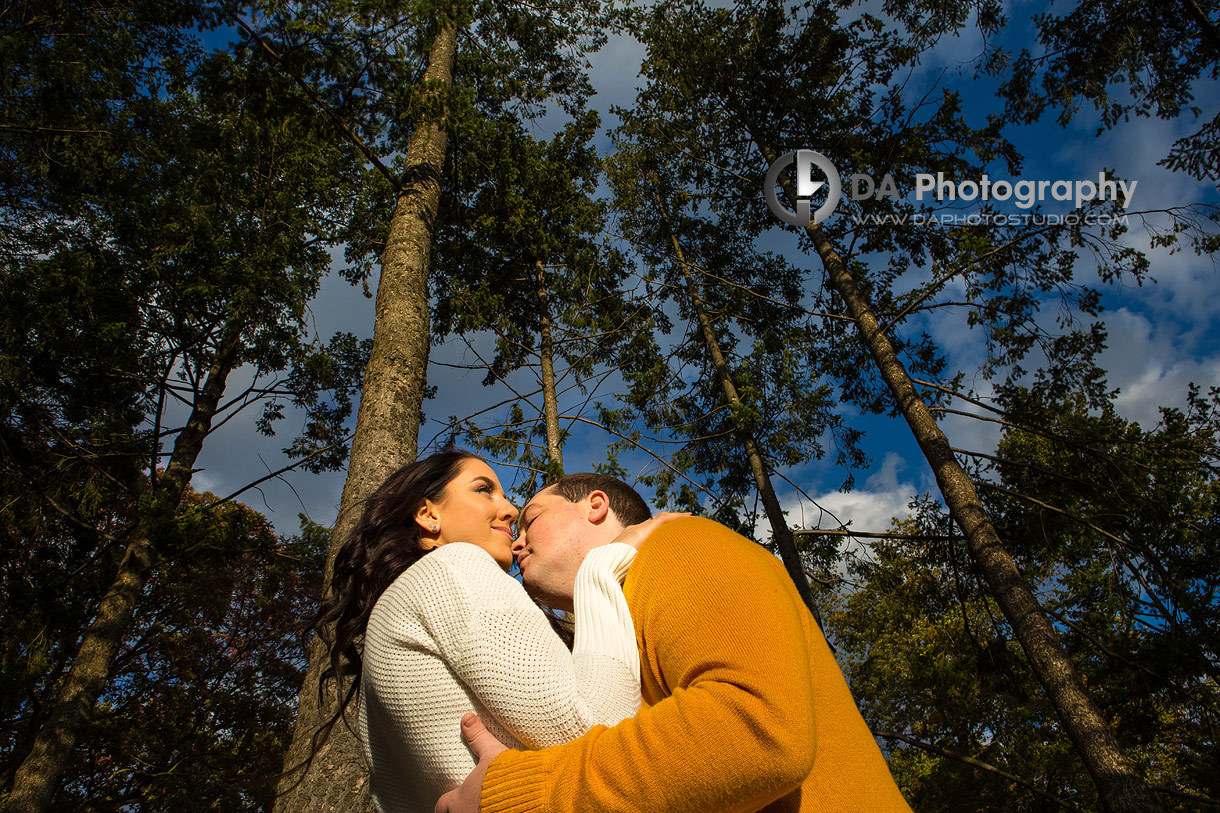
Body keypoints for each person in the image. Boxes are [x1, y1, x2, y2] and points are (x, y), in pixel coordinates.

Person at [436, 472, 912, 813]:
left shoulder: (678, 545)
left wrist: (527, 793)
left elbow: (755, 732)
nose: (516, 542)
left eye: (531, 520)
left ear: (595, 506)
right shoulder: (614, 629)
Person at [302, 449, 678, 813]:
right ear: (428, 514)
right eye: (484, 490)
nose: (511, 509)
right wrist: (602, 567)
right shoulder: (453, 567)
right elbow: (596, 734)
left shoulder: (394, 617)